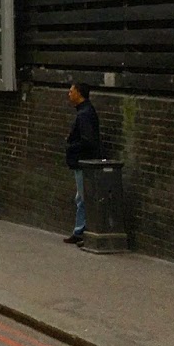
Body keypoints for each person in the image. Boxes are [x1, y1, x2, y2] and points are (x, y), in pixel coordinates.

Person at [64, 83, 102, 245]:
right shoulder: (86, 111)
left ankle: (83, 232)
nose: (69, 94)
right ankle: (79, 231)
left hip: (83, 161)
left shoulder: (84, 114)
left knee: (83, 197)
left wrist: (70, 146)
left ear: (79, 93)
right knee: (81, 197)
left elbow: (88, 140)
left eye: (71, 91)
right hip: (84, 160)